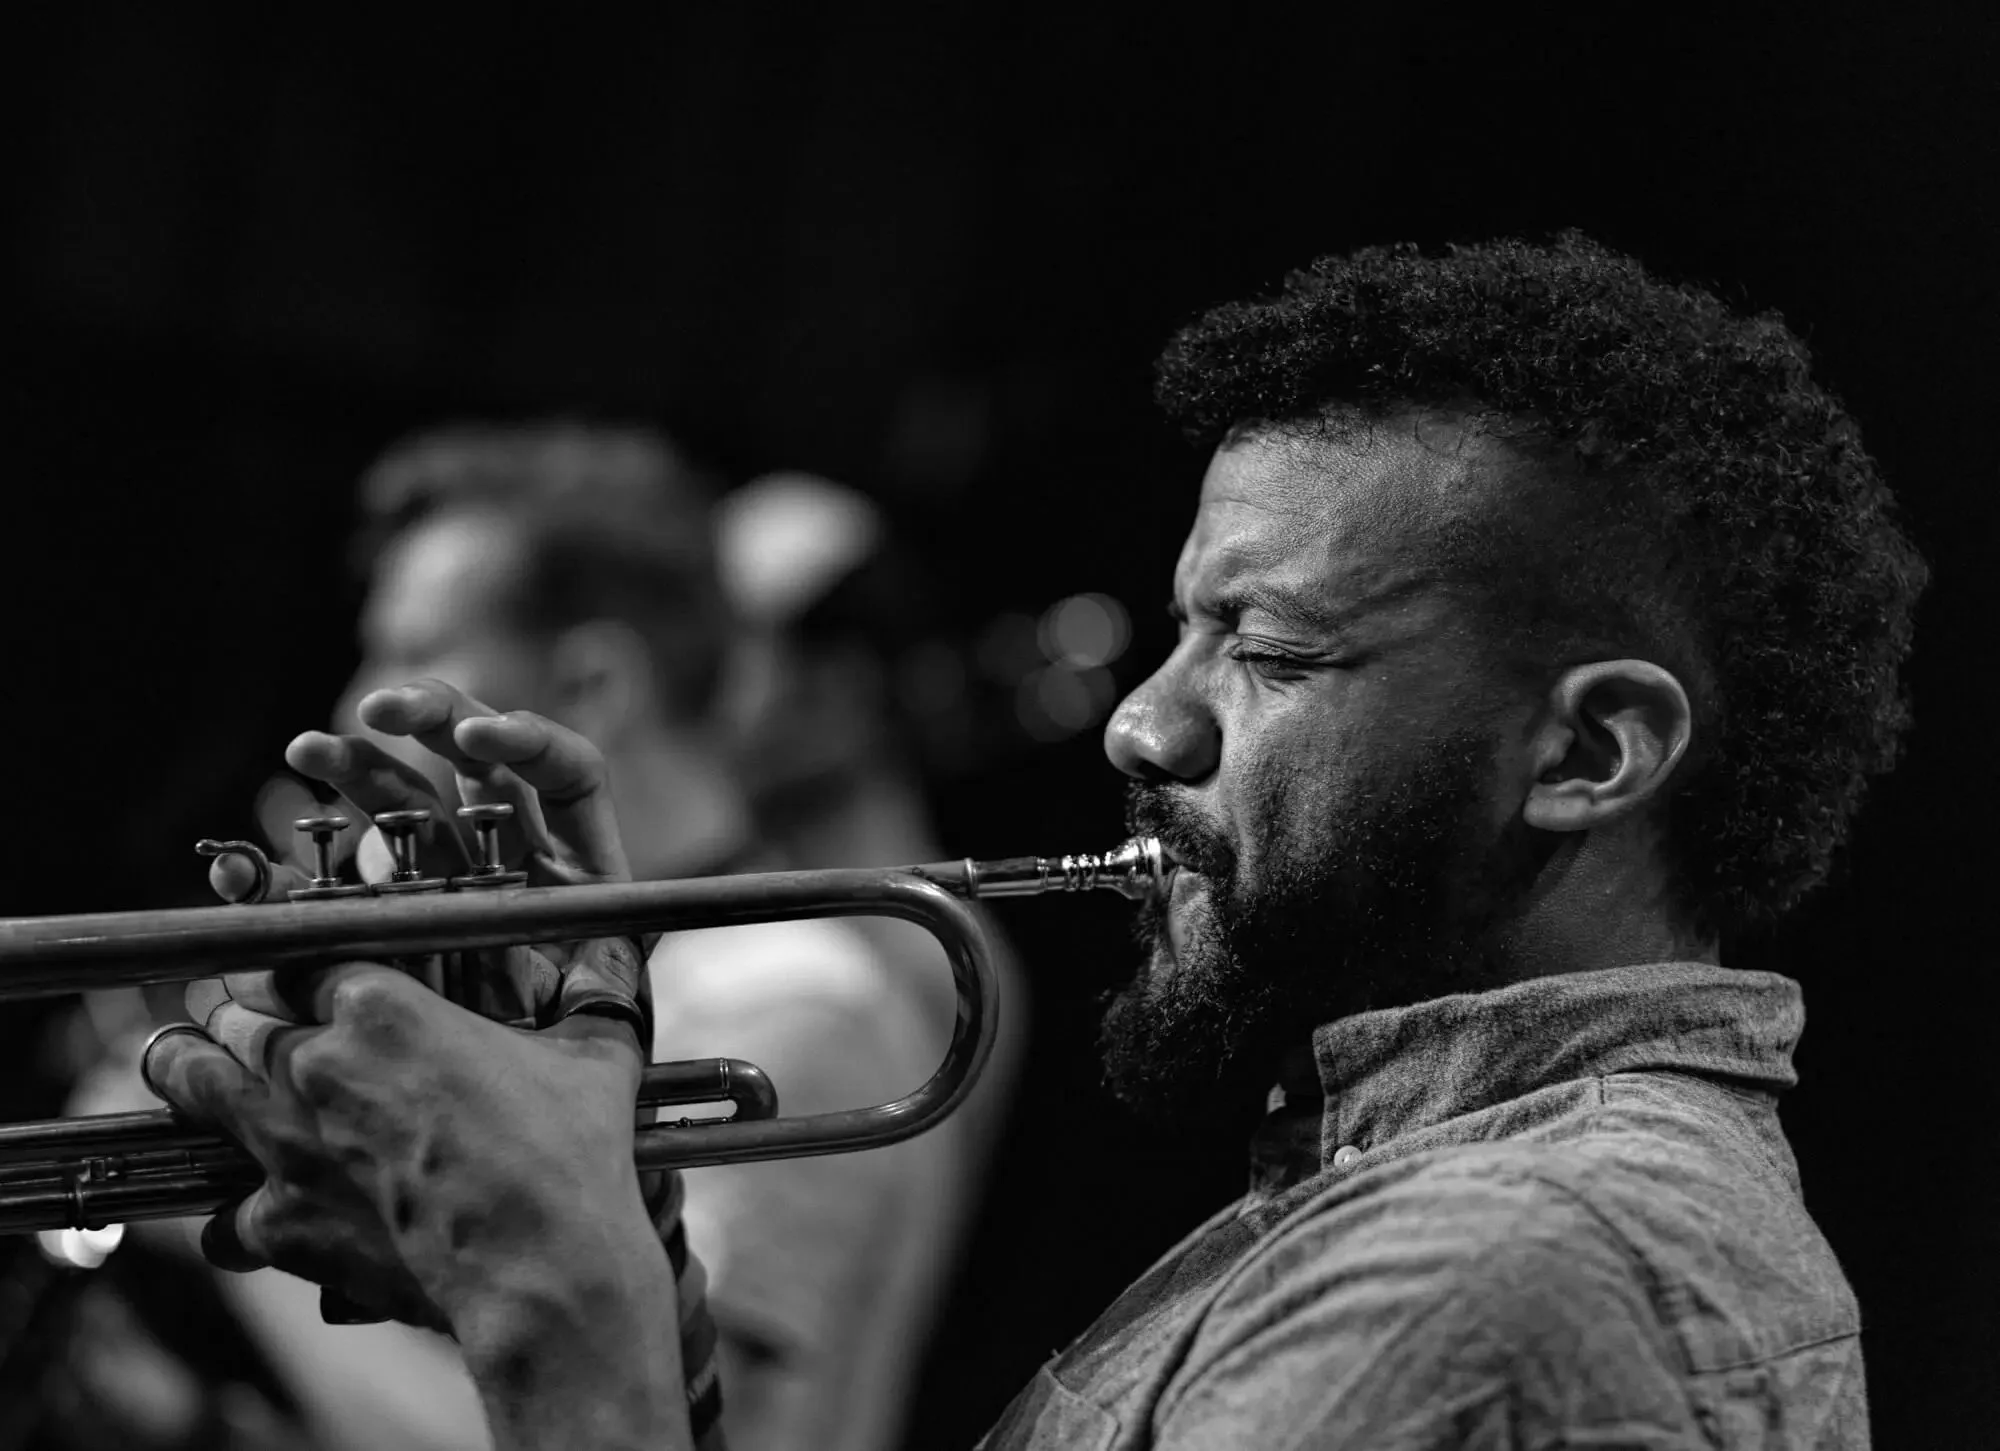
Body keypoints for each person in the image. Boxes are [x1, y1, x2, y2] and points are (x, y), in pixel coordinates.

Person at [142, 232, 1926, 1448]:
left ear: (1594, 750)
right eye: (1180, 631)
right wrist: (633, 1269)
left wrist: (547, 1293)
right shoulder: (1412, 1188)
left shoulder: (1509, 1263)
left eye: (1277, 653)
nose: (1146, 725)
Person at [165, 422, 1015, 1451]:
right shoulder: (669, 976)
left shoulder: (794, 1006)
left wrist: (225, 1226)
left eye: (412, 650)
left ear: (587, 688)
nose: (351, 701)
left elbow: (641, 1427)